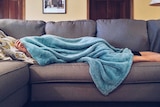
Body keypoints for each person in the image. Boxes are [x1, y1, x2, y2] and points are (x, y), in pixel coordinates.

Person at [14, 37, 160, 63]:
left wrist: (27, 50)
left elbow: (48, 54)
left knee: (121, 57)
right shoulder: (30, 41)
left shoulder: (30, 41)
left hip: (93, 45)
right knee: (127, 52)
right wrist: (27, 51)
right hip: (95, 43)